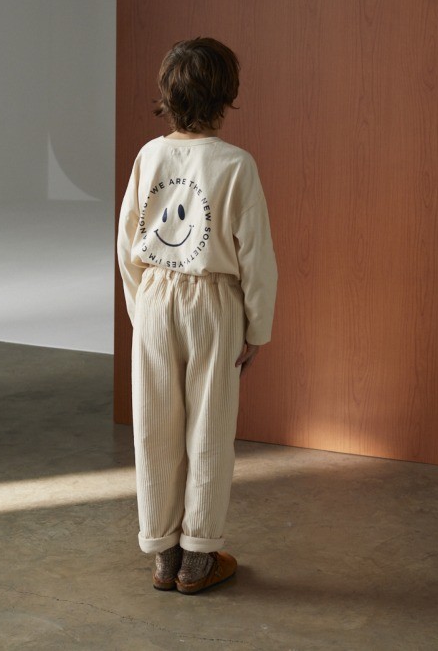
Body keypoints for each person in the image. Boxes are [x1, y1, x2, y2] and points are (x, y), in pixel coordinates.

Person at [117, 37, 278, 594]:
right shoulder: (235, 164)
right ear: (227, 95)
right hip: (213, 303)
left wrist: (141, 310)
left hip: (155, 297)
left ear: (167, 94)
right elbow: (255, 254)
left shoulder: (149, 156)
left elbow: (128, 242)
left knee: (154, 427)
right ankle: (198, 558)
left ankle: (162, 552)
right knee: (209, 428)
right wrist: (257, 327)